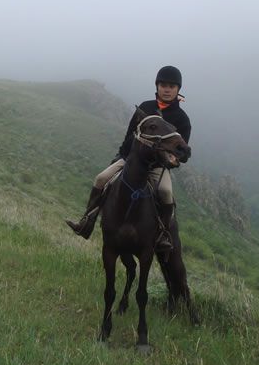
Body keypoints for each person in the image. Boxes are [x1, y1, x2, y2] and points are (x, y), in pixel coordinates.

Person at [65, 66, 191, 252]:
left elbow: (180, 152)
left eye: (172, 86)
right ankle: (87, 221)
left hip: (156, 167)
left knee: (165, 192)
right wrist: (123, 156)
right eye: (163, 84)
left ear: (178, 89)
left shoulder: (182, 119)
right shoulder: (145, 107)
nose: (167, 89)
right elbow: (129, 135)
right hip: (131, 159)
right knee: (101, 178)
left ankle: (163, 234)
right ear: (157, 86)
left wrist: (168, 161)